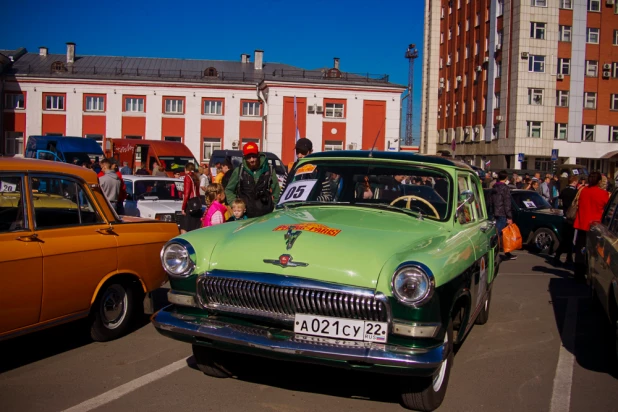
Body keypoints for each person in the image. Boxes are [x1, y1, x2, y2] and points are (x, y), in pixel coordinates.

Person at [225, 142, 281, 218]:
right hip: (245, 217)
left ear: (258, 155)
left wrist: (274, 207)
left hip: (266, 216)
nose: (252, 160)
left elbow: (276, 191)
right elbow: (229, 190)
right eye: (248, 157)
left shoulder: (269, 170)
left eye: (254, 156)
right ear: (244, 157)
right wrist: (235, 205)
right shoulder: (239, 171)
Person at [573, 172, 610, 282]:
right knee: (594, 252)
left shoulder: (583, 191)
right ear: (599, 182)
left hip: (582, 223)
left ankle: (578, 272)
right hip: (595, 226)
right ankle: (591, 273)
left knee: (580, 249)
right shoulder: (603, 194)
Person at [490, 170, 517, 261]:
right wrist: (509, 216)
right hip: (502, 213)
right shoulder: (505, 188)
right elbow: (507, 203)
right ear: (506, 178)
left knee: (499, 233)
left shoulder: (494, 187)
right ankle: (495, 252)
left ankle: (505, 252)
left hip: (494, 212)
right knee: (499, 234)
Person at [553, 175, 579, 266]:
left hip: (564, 215)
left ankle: (567, 256)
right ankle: (563, 255)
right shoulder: (576, 192)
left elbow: (559, 203)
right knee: (570, 238)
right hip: (572, 217)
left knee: (566, 237)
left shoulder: (564, 191)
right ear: (575, 182)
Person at [180, 163, 203, 234]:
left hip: (190, 204)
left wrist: (183, 208)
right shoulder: (196, 176)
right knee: (194, 228)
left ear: (186, 169)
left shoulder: (187, 177)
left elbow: (186, 194)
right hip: (197, 204)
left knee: (184, 228)